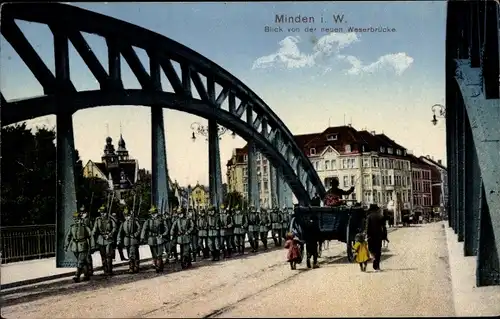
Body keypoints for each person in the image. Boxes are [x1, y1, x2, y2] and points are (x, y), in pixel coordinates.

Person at [64, 211, 94, 282]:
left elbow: (91, 236)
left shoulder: (85, 227)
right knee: (82, 262)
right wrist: (66, 246)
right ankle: (86, 275)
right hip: (75, 247)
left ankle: (77, 276)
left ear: (80, 219)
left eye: (77, 219)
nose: (76, 220)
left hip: (83, 246)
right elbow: (68, 237)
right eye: (75, 219)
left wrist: (92, 246)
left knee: (80, 261)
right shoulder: (72, 227)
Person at [365, 204, 387, 271]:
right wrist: (385, 236)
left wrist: (367, 234)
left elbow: (367, 227)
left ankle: (373, 257)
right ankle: (377, 267)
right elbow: (384, 227)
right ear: (377, 209)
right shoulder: (381, 216)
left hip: (371, 236)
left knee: (371, 249)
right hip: (379, 236)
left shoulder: (369, 217)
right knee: (378, 251)